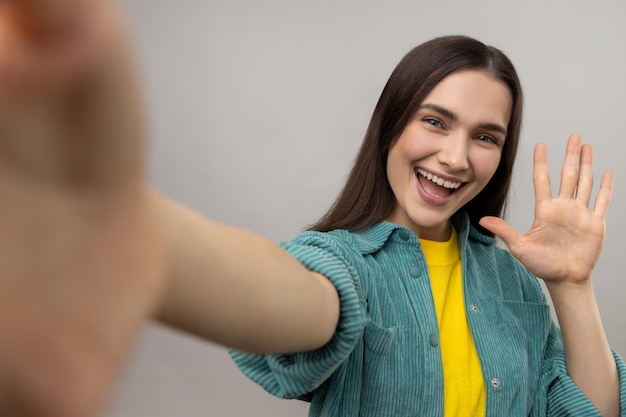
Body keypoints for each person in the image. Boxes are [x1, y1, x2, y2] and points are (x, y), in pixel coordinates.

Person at [0, 2, 623, 417]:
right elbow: (299, 302)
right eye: (435, 121)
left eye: (486, 137)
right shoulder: (343, 265)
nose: (457, 157)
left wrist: (573, 285)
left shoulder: (512, 283)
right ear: (393, 126)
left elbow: (589, 410)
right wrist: (141, 243)